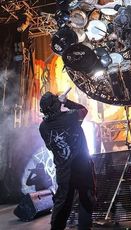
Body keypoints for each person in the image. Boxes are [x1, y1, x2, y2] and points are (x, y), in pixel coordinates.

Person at [39, 91, 96, 230]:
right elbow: (84, 110)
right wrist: (66, 102)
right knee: (86, 200)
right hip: (82, 167)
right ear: (56, 105)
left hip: (63, 171)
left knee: (62, 203)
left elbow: (50, 146)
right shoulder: (71, 117)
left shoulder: (43, 127)